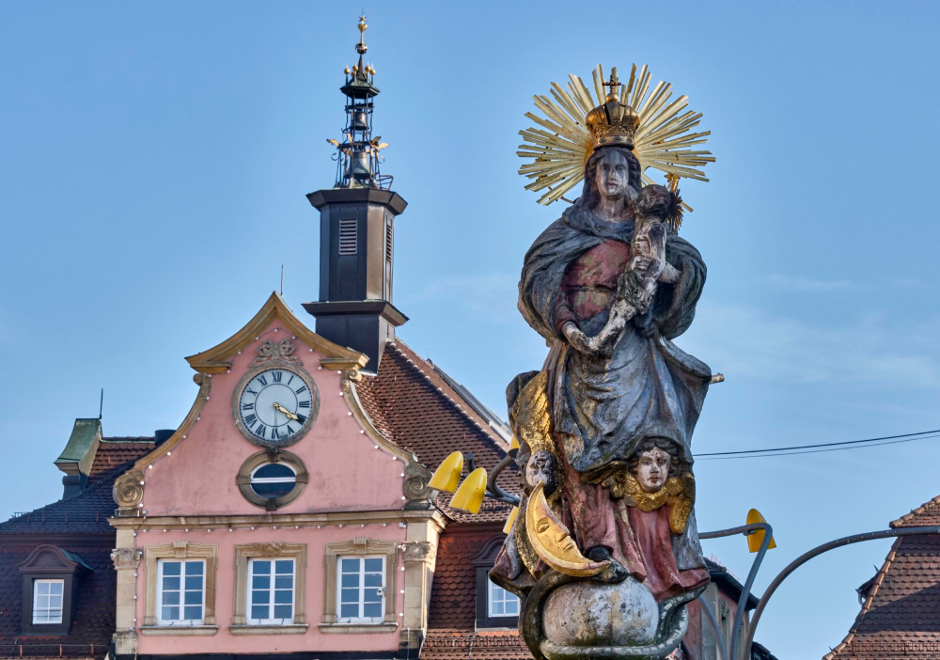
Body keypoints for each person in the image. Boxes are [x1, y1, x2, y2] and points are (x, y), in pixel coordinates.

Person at [514, 144, 713, 601]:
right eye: (603, 167)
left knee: (634, 452)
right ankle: (591, 548)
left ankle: (642, 557)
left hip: (631, 357)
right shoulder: (566, 230)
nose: (612, 176)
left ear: (633, 176)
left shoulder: (650, 229)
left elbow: (692, 269)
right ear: (590, 175)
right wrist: (567, 327)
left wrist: (664, 272)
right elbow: (536, 281)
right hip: (578, 352)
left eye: (621, 168)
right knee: (574, 452)